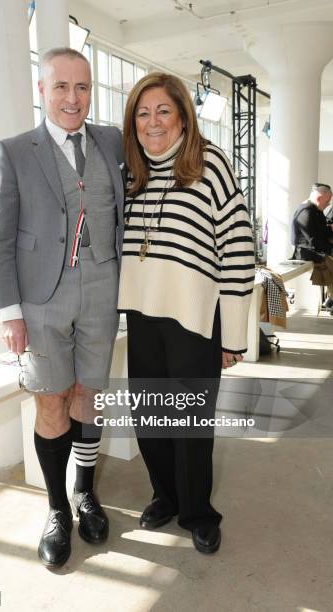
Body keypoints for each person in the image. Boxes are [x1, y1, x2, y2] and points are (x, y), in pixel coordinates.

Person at [0, 47, 124, 568]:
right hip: (42, 300)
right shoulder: (15, 151)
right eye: (62, 87)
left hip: (103, 293)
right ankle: (56, 508)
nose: (74, 97)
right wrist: (9, 314)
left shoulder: (112, 141)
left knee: (90, 397)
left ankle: (86, 491)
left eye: (83, 87)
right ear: (42, 90)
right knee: (51, 402)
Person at [118, 73, 255, 554]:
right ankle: (166, 496)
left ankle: (198, 511)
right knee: (149, 417)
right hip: (142, 315)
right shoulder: (130, 171)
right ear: (132, 122)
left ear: (182, 116)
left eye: (163, 111)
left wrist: (234, 336)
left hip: (196, 319)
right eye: (143, 112)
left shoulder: (210, 164)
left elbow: (238, 249)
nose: (153, 122)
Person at [291, 182, 333, 312]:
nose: (329, 205)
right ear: (320, 198)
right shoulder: (306, 212)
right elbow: (312, 241)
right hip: (306, 252)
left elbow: (324, 234)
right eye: (328, 201)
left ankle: (330, 299)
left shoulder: (317, 211)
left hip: (315, 250)